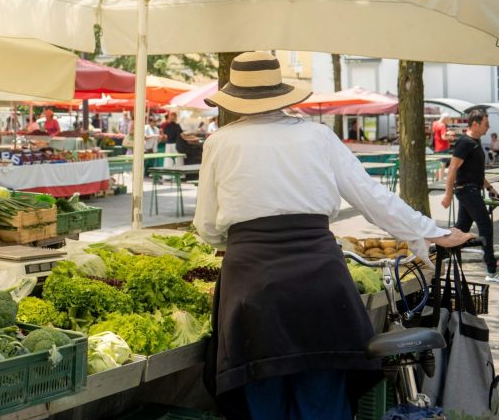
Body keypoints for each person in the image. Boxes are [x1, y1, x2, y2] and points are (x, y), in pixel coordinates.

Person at [195, 52, 472, 420]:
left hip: (252, 282)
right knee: (322, 394)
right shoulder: (318, 136)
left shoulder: (219, 142)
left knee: (262, 395)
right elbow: (373, 199)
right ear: (281, 93)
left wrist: (236, 240)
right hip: (319, 279)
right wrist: (432, 231)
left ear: (235, 97)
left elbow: (208, 227)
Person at [442, 110, 499, 282]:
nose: (488, 128)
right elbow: (452, 168)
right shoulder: (465, 143)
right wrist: (448, 193)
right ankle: (491, 271)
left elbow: (475, 172)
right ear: (475, 123)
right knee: (485, 227)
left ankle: (442, 255)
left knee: (461, 230)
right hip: (466, 190)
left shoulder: (475, 142)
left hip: (472, 189)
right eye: (486, 124)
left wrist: (489, 188)